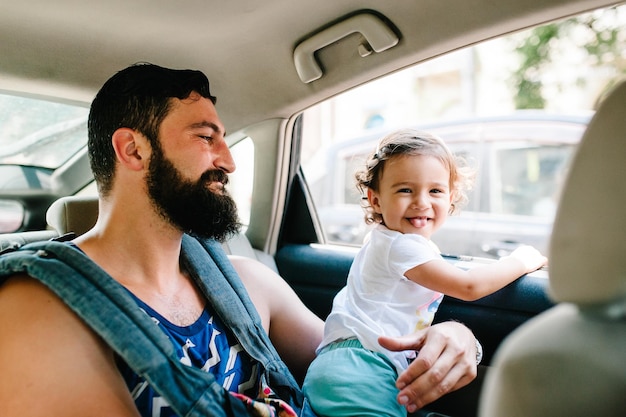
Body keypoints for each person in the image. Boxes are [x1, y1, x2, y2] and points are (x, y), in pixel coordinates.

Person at [0, 64, 479, 416]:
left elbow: (349, 359)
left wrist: (457, 336)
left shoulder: (242, 282)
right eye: (207, 137)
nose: (228, 160)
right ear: (133, 149)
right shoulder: (42, 306)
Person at [303, 129, 548, 417]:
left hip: (345, 365)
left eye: (435, 191)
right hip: (363, 367)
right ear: (376, 199)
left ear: (451, 197)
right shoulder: (402, 246)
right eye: (405, 190)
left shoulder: (388, 240)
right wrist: (521, 260)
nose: (421, 201)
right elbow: (468, 286)